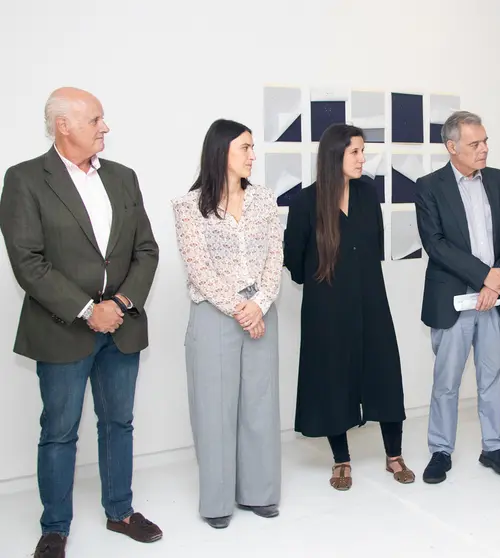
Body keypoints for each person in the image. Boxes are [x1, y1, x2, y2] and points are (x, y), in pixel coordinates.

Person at [0, 87, 161, 558]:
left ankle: (120, 511)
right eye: (95, 120)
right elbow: (27, 262)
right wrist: (91, 310)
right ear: (63, 126)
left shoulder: (125, 178)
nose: (104, 127)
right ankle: (55, 527)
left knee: (119, 422)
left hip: (122, 326)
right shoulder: (25, 179)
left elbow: (146, 250)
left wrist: (123, 302)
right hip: (62, 329)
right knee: (59, 431)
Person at [284, 123, 413, 490]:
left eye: (362, 151)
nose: (362, 158)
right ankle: (341, 459)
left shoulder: (368, 194)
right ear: (334, 155)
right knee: (332, 379)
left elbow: (374, 243)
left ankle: (394, 454)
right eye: (354, 151)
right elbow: (294, 259)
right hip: (326, 308)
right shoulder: (305, 203)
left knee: (384, 373)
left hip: (371, 300)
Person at [172, 119, 283, 529]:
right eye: (245, 148)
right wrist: (240, 308)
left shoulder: (265, 201)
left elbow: (276, 258)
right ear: (221, 152)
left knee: (259, 404)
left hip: (261, 311)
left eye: (253, 148)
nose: (253, 155)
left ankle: (259, 493)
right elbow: (198, 268)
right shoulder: (188, 206)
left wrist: (260, 303)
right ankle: (217, 502)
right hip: (214, 314)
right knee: (214, 408)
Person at [415, 110, 500, 484]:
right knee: (446, 380)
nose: (484, 149)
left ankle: (494, 446)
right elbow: (437, 245)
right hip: (453, 300)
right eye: (475, 144)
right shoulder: (429, 187)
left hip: (494, 299)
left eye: (485, 141)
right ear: (452, 147)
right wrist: (484, 277)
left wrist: (495, 282)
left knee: (493, 374)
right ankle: (440, 451)